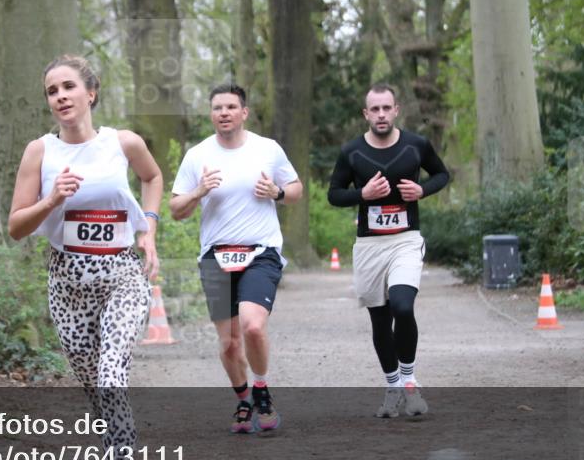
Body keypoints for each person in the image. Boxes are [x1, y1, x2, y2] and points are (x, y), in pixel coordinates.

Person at [8, 55, 162, 460]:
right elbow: (15, 227)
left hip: (121, 275)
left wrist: (149, 230)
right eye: (52, 90)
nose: (60, 96)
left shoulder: (123, 143)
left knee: (112, 376)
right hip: (67, 281)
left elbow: (153, 178)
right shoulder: (40, 152)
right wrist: (52, 200)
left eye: (69, 86)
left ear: (90, 92)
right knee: (96, 396)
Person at [169, 83, 302, 433]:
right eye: (217, 108)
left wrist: (277, 192)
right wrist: (199, 191)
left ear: (244, 112)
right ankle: (243, 400)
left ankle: (261, 389)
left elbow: (296, 191)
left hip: (261, 251)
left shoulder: (267, 149)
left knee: (252, 325)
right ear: (211, 114)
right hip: (215, 256)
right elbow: (176, 210)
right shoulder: (197, 155)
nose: (223, 113)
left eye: (230, 107)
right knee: (229, 344)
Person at [327, 83, 450, 417]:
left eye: (386, 108)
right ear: (366, 114)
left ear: (396, 110)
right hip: (369, 245)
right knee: (380, 320)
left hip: (406, 240)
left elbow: (442, 174)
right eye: (374, 109)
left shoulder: (416, 145)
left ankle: (409, 382)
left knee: (403, 306)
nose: (381, 115)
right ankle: (393, 385)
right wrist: (362, 194)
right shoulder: (352, 152)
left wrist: (422, 190)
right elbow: (334, 194)